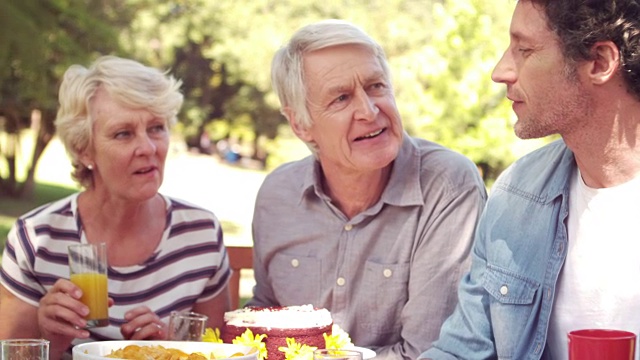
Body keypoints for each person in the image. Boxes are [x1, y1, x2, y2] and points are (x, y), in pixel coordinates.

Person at [247, 19, 487, 360]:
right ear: (300, 124)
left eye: (376, 86)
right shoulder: (278, 195)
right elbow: (265, 321)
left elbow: (430, 352)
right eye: (341, 98)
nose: (369, 110)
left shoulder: (446, 185)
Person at [420, 1, 640, 359]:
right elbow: (462, 351)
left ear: (600, 62)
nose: (500, 71)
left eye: (524, 50)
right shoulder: (516, 194)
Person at [0, 55, 231, 359]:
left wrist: (169, 348)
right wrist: (50, 339)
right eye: (123, 133)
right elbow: (14, 354)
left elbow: (217, 351)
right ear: (84, 150)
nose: (148, 148)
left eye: (157, 128)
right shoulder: (37, 237)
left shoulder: (199, 234)